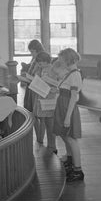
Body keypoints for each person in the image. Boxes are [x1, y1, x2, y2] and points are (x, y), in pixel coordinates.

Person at [53, 48, 84, 183]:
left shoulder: (75, 75)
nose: (60, 63)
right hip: (62, 105)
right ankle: (70, 161)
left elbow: (73, 98)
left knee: (71, 139)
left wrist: (67, 117)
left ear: (67, 60)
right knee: (64, 135)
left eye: (61, 61)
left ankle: (78, 170)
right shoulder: (69, 73)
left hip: (68, 108)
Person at [32, 51, 56, 153]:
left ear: (46, 61)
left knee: (50, 124)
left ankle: (52, 145)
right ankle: (44, 141)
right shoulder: (41, 68)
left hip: (49, 98)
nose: (39, 65)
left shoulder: (53, 69)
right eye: (38, 63)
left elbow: (56, 84)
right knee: (45, 121)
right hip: (41, 97)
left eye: (40, 63)